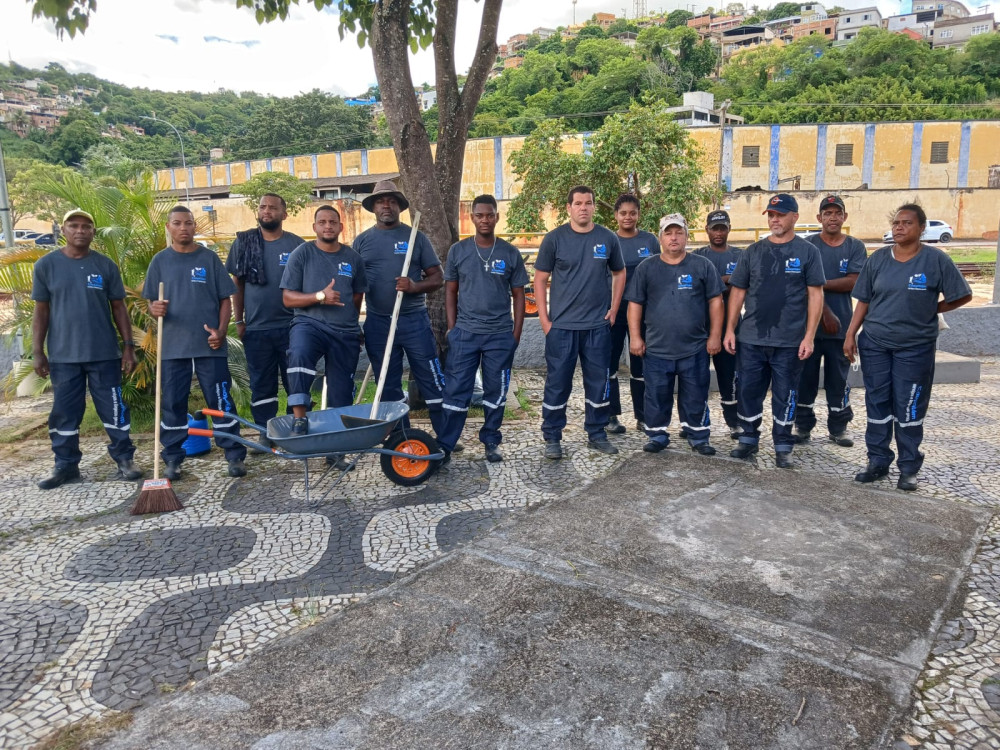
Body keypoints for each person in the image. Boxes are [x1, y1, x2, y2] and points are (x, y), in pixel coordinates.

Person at [844, 203, 971, 491]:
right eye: (896, 223)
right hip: (875, 342)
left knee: (909, 405)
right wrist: (851, 334)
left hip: (915, 347)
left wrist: (932, 308)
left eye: (907, 223)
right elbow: (863, 300)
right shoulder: (877, 260)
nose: (899, 227)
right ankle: (877, 460)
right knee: (877, 402)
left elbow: (962, 295)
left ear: (921, 228)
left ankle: (909, 466)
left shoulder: (935, 261)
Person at [31, 208, 143, 489]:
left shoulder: (105, 266)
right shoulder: (46, 266)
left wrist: (128, 347)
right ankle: (65, 466)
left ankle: (124, 460)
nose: (80, 230)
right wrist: (38, 352)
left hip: (104, 354)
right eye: (74, 225)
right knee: (65, 412)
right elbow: (41, 311)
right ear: (64, 231)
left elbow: (119, 308)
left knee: (114, 409)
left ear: (93, 232)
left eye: (86, 226)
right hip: (63, 356)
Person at [143, 205, 247, 480]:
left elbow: (226, 299)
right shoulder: (160, 262)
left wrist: (222, 331)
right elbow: (151, 303)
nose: (184, 228)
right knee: (173, 403)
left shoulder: (209, 259)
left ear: (194, 226)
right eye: (177, 223)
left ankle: (234, 455)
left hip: (209, 344)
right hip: (172, 346)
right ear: (169, 227)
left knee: (221, 400)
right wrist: (155, 309)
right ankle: (173, 459)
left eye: (188, 223)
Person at [724, 193, 825, 468]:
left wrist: (809, 336)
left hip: (790, 341)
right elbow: (737, 293)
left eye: (780, 215)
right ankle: (748, 439)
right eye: (770, 214)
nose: (774, 219)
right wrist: (730, 329)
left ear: (794, 217)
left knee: (786, 394)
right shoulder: (753, 252)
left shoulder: (808, 253)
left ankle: (783, 445)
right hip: (752, 338)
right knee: (747, 390)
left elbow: (815, 295)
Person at [534, 185, 626, 459]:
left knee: (598, 383)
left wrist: (614, 308)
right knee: (557, 384)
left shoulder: (607, 238)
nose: (583, 207)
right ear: (569, 208)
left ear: (594, 206)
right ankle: (552, 436)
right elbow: (539, 279)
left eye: (588, 203)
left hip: (597, 328)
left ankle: (596, 433)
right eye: (578, 203)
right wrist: (544, 320)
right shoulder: (555, 239)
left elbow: (619, 273)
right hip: (561, 328)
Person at [437, 195, 528, 463]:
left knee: (496, 390)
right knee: (456, 390)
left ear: (497, 217)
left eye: (490, 215)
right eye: (480, 215)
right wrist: (453, 329)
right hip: (465, 333)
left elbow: (519, 295)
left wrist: (516, 334)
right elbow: (450, 291)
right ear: (472, 217)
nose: (485, 220)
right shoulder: (458, 251)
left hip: (500, 335)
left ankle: (491, 440)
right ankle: (446, 444)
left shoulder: (510, 253)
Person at [627, 214, 724, 455]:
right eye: (668, 233)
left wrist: (715, 336)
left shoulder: (702, 266)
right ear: (660, 237)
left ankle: (698, 435)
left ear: (686, 236)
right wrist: (636, 337)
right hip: (657, 348)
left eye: (678, 232)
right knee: (657, 395)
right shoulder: (646, 268)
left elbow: (716, 301)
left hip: (694, 347)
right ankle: (657, 434)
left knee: (696, 394)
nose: (674, 237)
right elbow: (635, 305)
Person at [354, 180, 445, 435]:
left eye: (392, 201)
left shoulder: (416, 237)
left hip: (414, 321)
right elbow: (355, 288)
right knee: (388, 385)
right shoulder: (361, 242)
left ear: (399, 207)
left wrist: (414, 286)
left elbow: (438, 277)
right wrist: (353, 325)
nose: (386, 205)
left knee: (431, 379)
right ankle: (401, 439)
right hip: (378, 323)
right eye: (381, 201)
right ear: (373, 207)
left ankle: (445, 438)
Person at [280, 206, 366, 469]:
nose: (327, 226)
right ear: (315, 227)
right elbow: (287, 298)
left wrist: (350, 322)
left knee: (341, 390)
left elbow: (356, 295)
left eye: (332, 222)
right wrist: (319, 296)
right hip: (310, 324)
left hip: (345, 332)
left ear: (340, 227)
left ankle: (336, 450)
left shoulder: (352, 258)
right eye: (322, 222)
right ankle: (299, 417)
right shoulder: (302, 254)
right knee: (299, 354)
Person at [793, 195, 868, 447]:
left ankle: (839, 428)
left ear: (844, 217)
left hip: (841, 329)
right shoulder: (808, 246)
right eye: (827, 213)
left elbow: (856, 281)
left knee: (838, 381)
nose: (832, 217)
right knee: (805, 380)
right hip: (809, 330)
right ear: (819, 218)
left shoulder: (855, 247)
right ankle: (802, 426)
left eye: (837, 213)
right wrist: (824, 310)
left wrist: (818, 285)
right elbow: (800, 284)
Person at [226, 193, 304, 427]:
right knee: (261, 383)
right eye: (262, 207)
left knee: (295, 380)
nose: (267, 211)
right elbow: (237, 283)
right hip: (257, 328)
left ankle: (294, 427)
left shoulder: (297, 245)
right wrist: (239, 321)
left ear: (284, 214)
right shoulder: (244, 242)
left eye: (272, 207)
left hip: (294, 327)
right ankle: (265, 428)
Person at [607, 194, 659, 433]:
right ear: (615, 215)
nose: (628, 217)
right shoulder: (608, 240)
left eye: (632, 212)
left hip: (644, 314)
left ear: (638, 214)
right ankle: (611, 416)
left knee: (642, 368)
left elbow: (661, 272)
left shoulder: (650, 241)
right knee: (609, 366)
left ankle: (644, 416)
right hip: (614, 313)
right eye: (623, 213)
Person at [692, 209, 742, 438]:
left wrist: (714, 282)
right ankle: (694, 422)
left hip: (731, 327)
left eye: (723, 228)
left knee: (729, 377)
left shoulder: (741, 256)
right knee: (695, 378)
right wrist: (726, 281)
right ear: (707, 230)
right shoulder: (698, 256)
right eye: (714, 228)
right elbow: (697, 289)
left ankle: (735, 423)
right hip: (700, 327)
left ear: (729, 228)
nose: (719, 233)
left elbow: (744, 286)